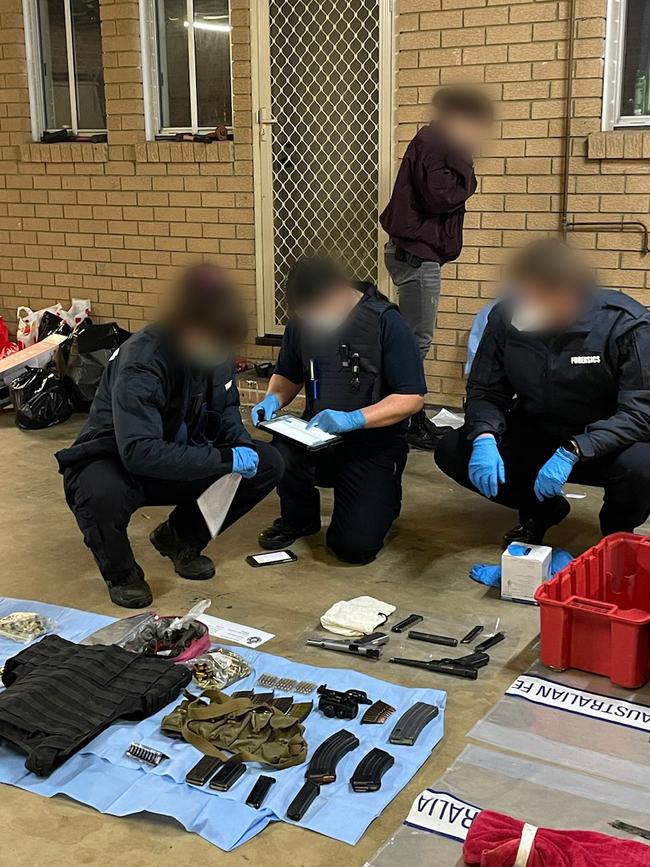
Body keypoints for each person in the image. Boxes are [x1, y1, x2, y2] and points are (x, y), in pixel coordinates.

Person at [56, 264, 284, 608]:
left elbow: (223, 412)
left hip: (178, 452)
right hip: (120, 459)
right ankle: (122, 573)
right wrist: (222, 459)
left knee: (267, 462)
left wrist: (239, 444)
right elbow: (139, 451)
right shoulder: (142, 360)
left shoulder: (215, 352)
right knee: (98, 493)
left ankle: (179, 538)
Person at [435, 239, 650, 545]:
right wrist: (484, 436)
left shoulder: (626, 325)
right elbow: (485, 390)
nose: (529, 307)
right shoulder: (507, 318)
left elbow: (641, 412)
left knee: (642, 466)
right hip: (539, 429)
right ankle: (542, 508)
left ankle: (616, 533)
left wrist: (576, 448)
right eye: (525, 296)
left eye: (541, 299)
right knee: (455, 449)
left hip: (604, 441)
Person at [253, 257, 427, 564]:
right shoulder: (302, 323)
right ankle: (300, 517)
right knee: (279, 451)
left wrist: (353, 419)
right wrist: (272, 400)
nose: (312, 319)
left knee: (353, 549)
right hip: (318, 435)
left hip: (372, 443)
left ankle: (384, 501)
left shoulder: (386, 322)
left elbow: (411, 398)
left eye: (316, 312)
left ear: (336, 293)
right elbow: (289, 374)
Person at [381, 85, 493, 450]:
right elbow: (441, 195)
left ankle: (403, 416)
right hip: (416, 257)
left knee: (411, 341)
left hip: (415, 253)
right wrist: (467, 167)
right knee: (417, 343)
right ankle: (405, 420)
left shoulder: (434, 141)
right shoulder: (436, 142)